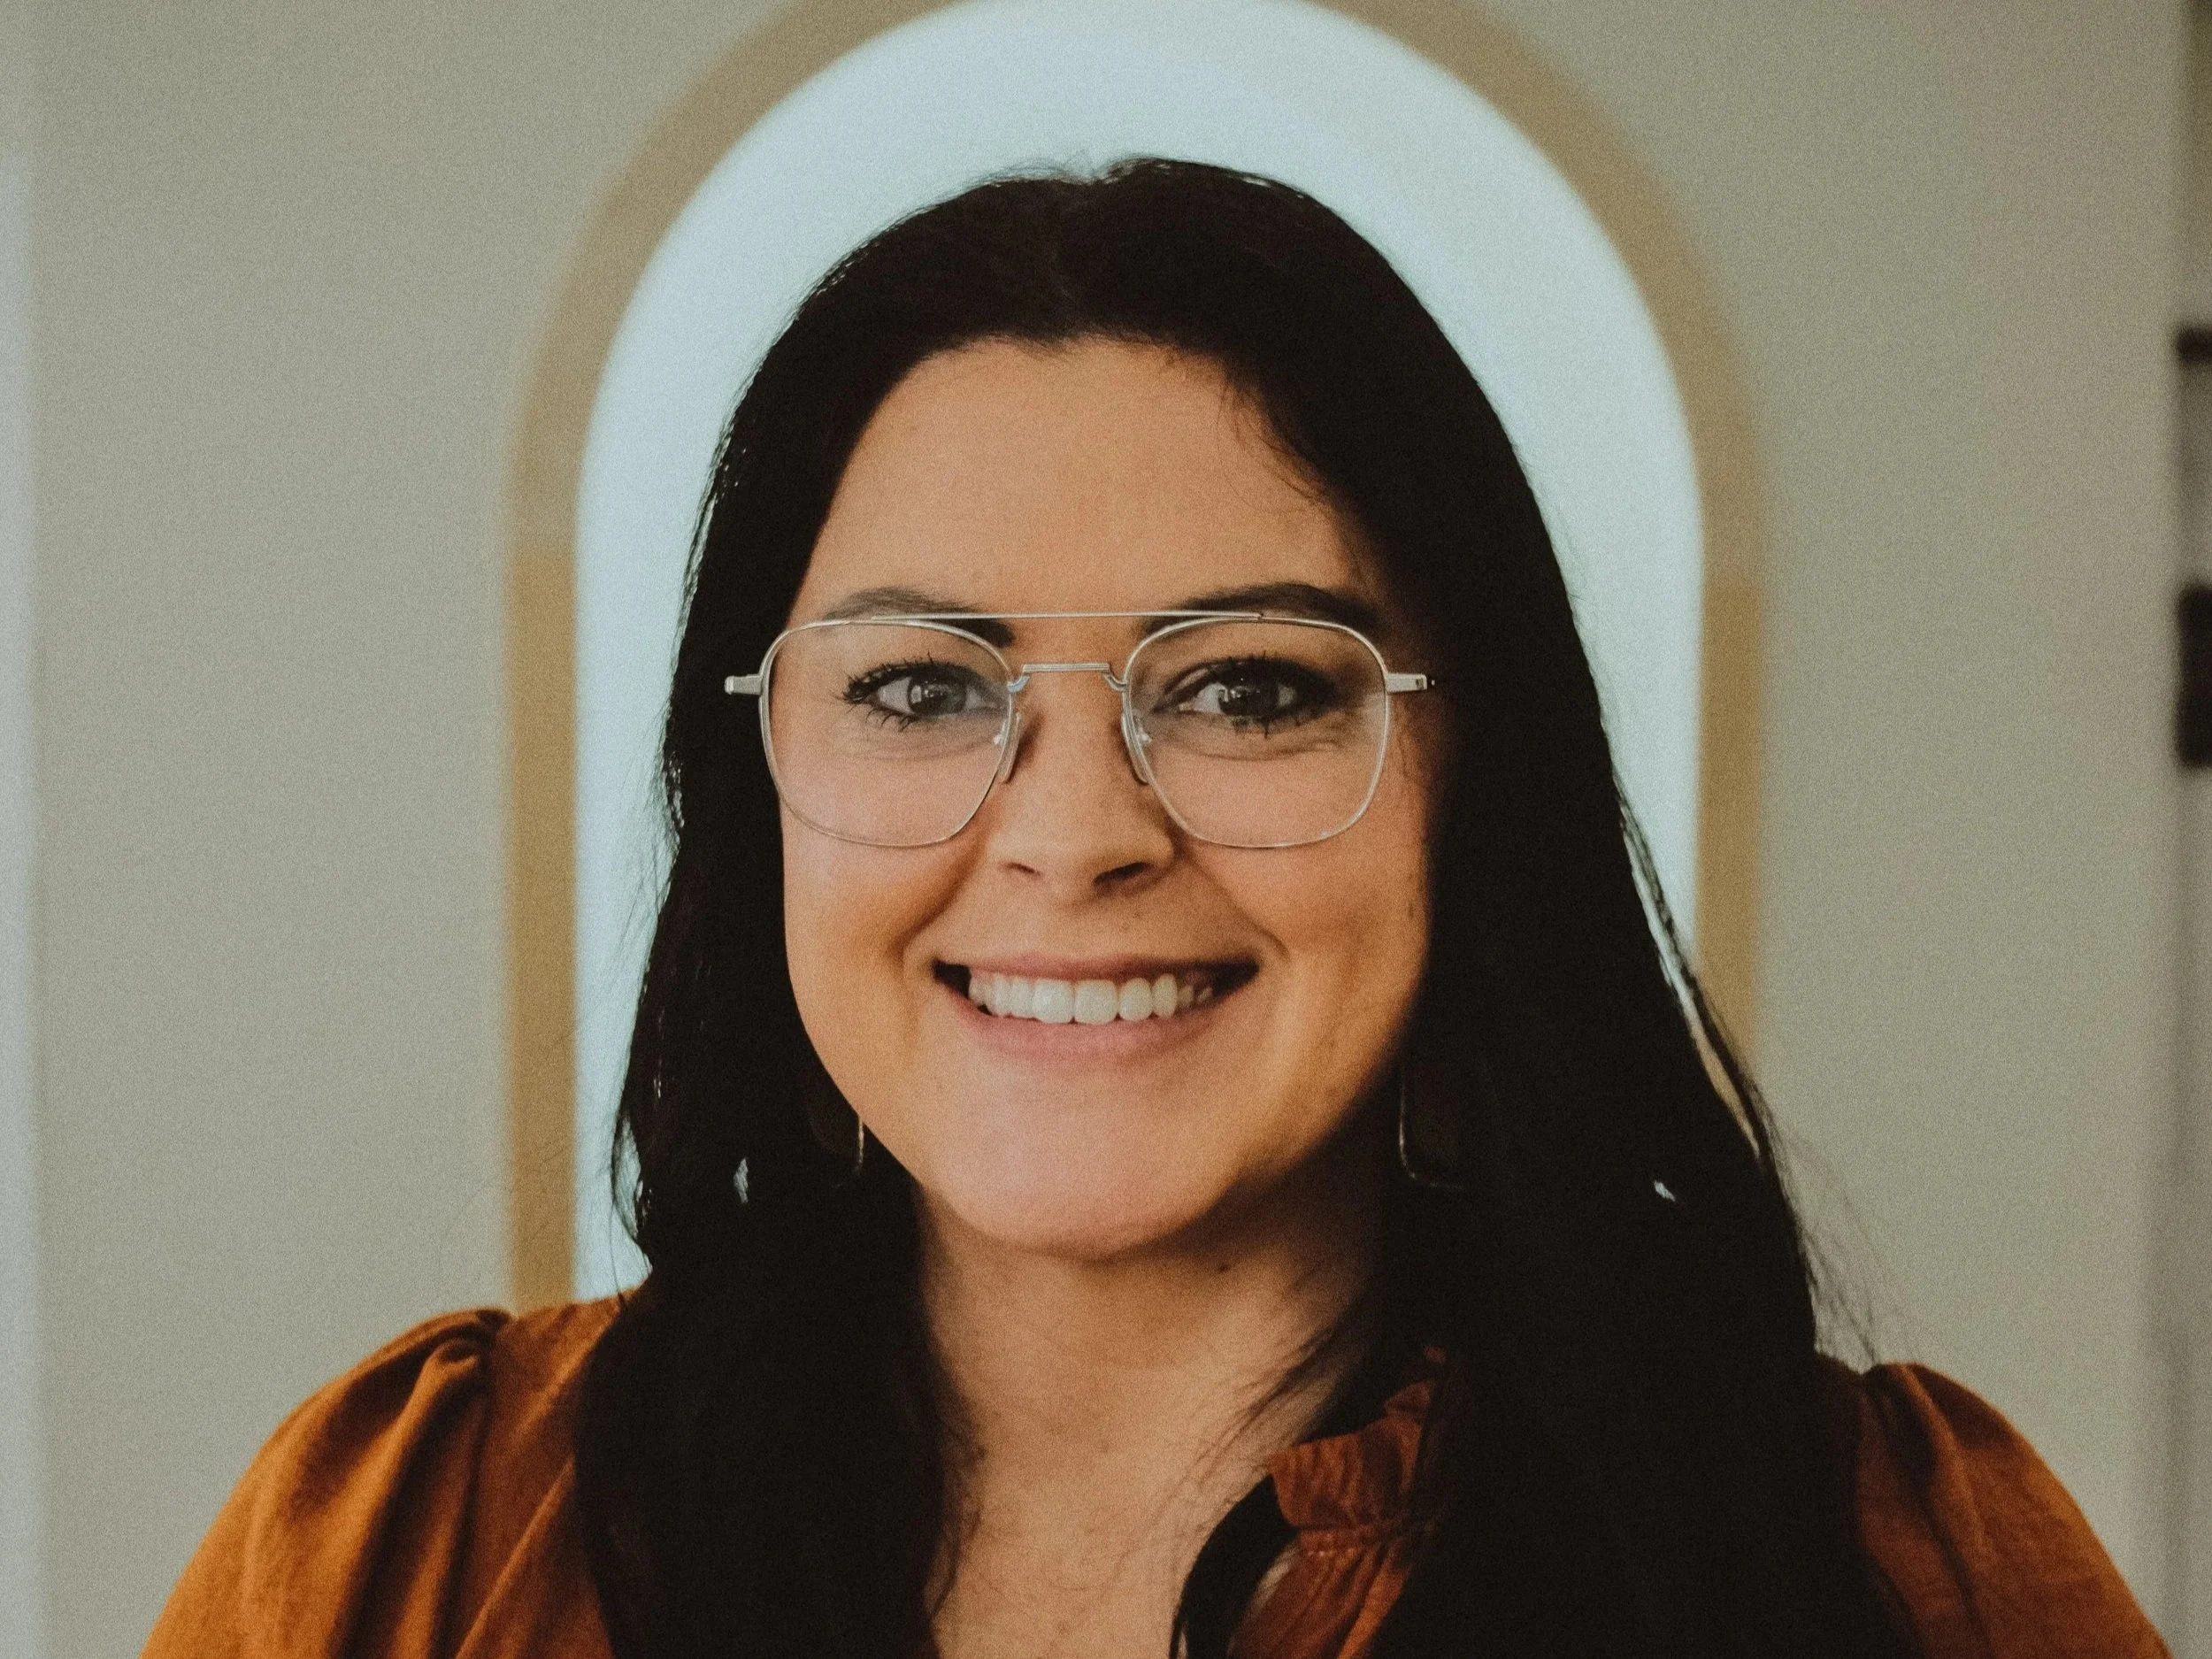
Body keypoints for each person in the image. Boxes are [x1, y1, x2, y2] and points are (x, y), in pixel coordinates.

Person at [145, 160, 2166, 1659]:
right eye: (921, 686)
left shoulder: (1890, 1573)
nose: (1074, 832)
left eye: (1250, 687)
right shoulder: (401, 1547)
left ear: (1479, 788)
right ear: (750, 782)